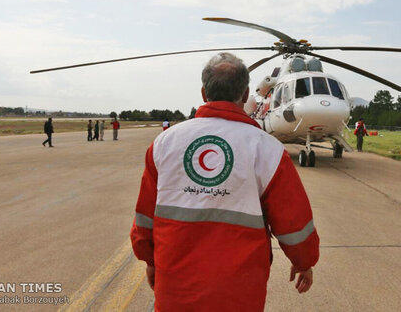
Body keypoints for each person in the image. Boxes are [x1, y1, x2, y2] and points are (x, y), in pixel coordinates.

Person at [130, 53, 319, 311]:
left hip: (176, 289)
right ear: (244, 95)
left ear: (203, 93)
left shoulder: (164, 143)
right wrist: (304, 260)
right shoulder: (267, 149)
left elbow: (145, 216)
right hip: (240, 293)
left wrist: (150, 260)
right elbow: (293, 219)